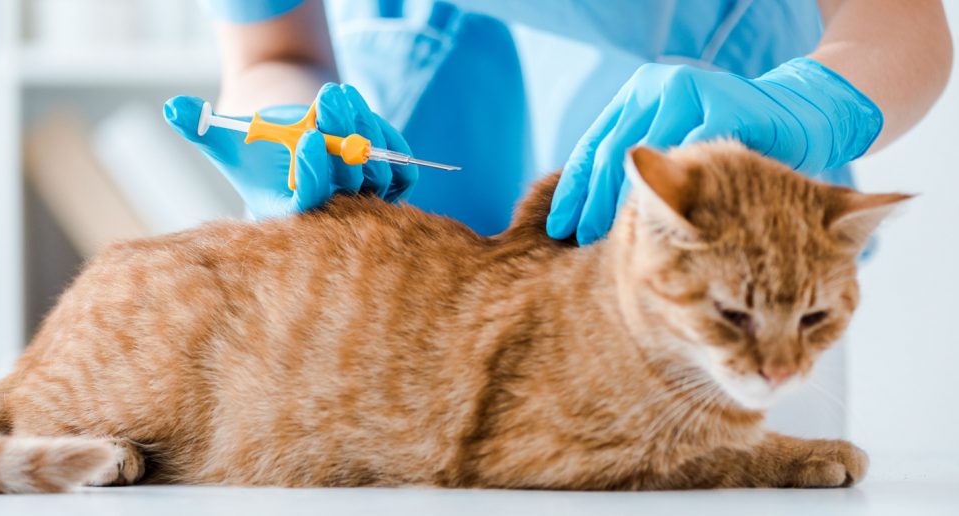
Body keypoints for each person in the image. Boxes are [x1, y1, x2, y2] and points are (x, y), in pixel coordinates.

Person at [163, 0, 952, 437]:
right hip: (412, 324)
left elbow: (902, 18)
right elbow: (271, 44)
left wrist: (814, 105)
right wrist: (284, 118)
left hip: (727, 322)